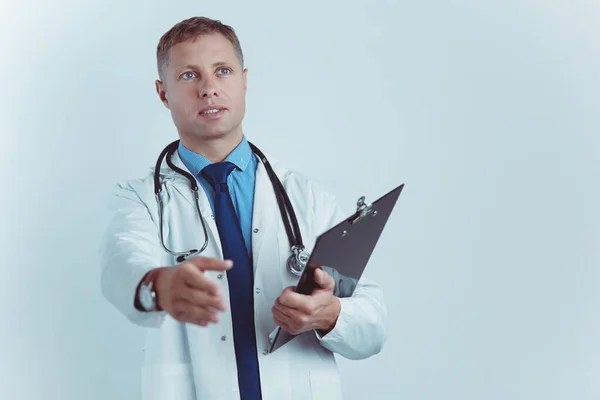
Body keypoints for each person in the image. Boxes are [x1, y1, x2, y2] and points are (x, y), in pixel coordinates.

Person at [99, 15, 387, 400]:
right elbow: (121, 264)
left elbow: (373, 328)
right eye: (189, 75)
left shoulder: (307, 198)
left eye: (222, 71)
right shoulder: (140, 199)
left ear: (244, 80)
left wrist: (331, 314)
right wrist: (161, 285)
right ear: (163, 92)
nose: (208, 89)